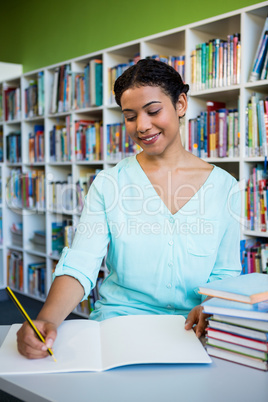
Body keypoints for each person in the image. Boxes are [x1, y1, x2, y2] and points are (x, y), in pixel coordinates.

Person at [17, 58, 241, 359]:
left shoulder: (226, 187)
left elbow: (225, 273)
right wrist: (46, 319)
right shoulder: (109, 183)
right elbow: (82, 262)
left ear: (181, 104)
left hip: (196, 330)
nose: (142, 126)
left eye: (153, 111)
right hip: (119, 326)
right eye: (130, 116)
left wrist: (211, 308)